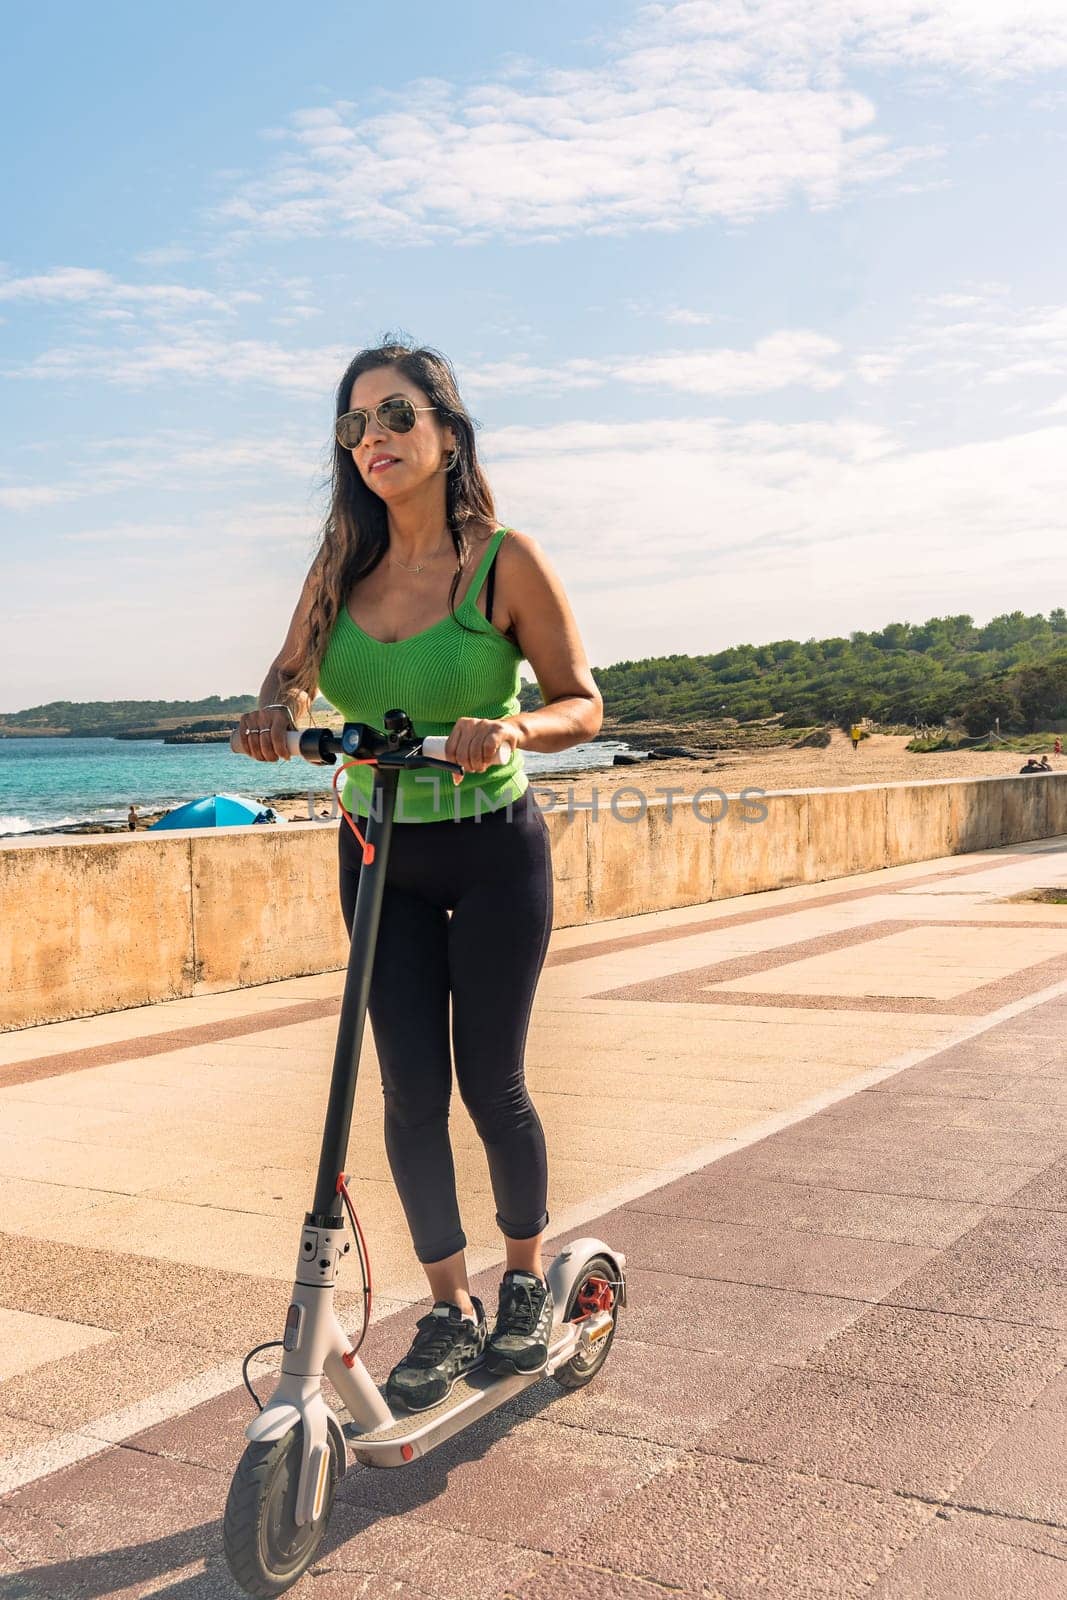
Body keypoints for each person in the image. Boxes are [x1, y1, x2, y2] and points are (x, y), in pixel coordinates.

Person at [237, 341, 603, 1412]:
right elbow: (287, 677)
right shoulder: (336, 565)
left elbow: (582, 701)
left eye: (394, 415)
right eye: (353, 426)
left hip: (492, 849)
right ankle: (447, 1305)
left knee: (490, 1080)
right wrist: (275, 713)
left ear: (447, 432)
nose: (373, 438)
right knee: (406, 1090)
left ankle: (524, 1279)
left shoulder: (504, 560)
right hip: (376, 852)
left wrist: (511, 726)